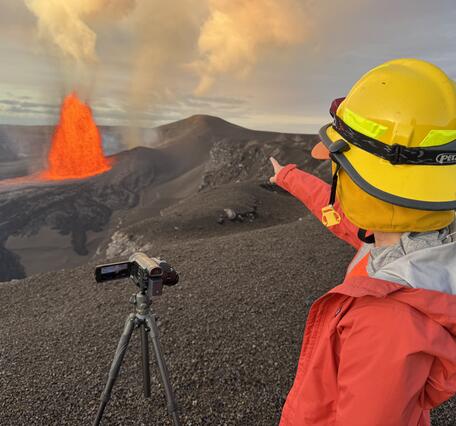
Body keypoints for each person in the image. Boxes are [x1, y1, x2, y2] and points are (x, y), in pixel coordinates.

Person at [269, 58, 456, 426]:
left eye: (341, 168)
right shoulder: (417, 249)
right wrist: (288, 178)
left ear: (364, 186)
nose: (337, 176)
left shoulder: (385, 318)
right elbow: (338, 215)